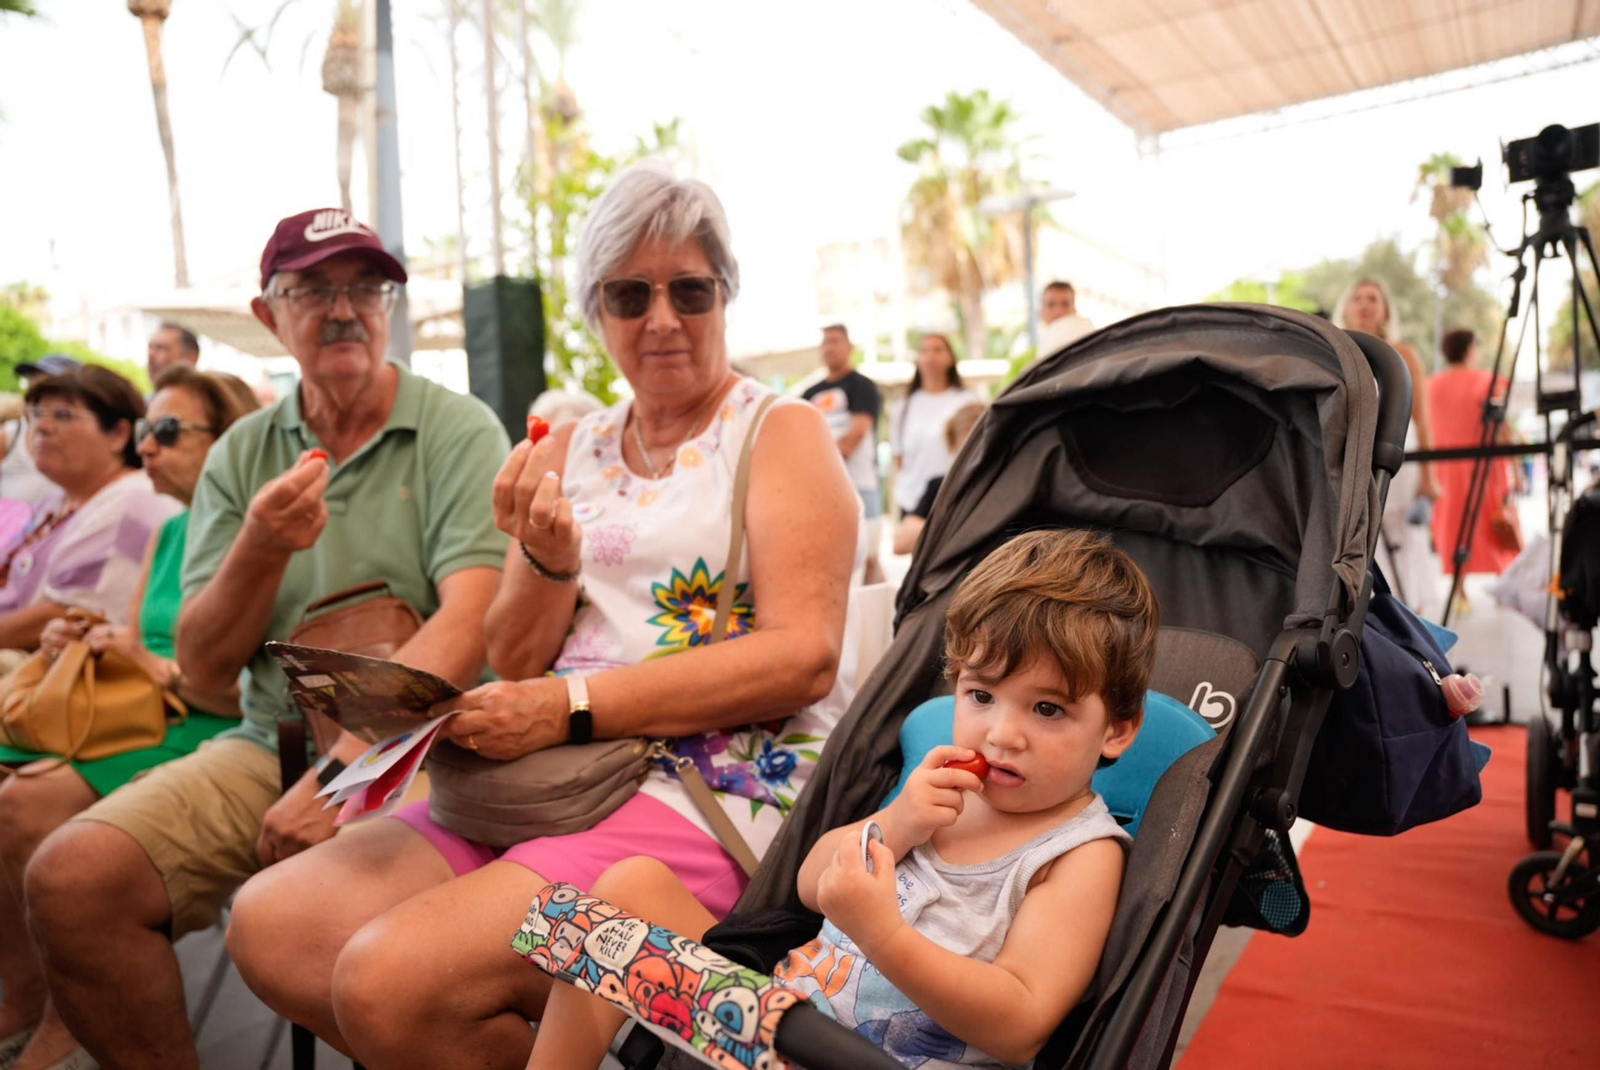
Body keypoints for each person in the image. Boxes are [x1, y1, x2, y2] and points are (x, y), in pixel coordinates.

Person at [224, 164, 860, 1070]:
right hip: (547, 772)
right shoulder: (572, 447)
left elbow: (804, 658)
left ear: (726, 297)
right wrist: (546, 556)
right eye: (630, 294)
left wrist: (570, 706)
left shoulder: (778, 431)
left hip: (708, 783)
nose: (663, 318)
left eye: (690, 289)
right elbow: (514, 651)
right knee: (275, 925)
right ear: (594, 309)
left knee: (386, 981)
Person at [19, 206, 510, 1070]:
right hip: (263, 744)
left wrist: (341, 774)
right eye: (310, 288)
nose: (343, 308)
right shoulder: (245, 451)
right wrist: (260, 544)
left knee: (358, 930)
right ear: (267, 315)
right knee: (70, 878)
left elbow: (469, 623)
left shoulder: (455, 428)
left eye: (365, 286)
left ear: (391, 304)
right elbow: (205, 671)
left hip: (424, 753)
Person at [519, 527, 1152, 1070]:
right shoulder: (945, 787)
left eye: (1048, 709)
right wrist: (898, 826)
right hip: (776, 1016)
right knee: (626, 889)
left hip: (873, 1059)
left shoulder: (1076, 858)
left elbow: (1020, 1022)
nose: (1002, 733)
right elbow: (810, 882)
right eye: (982, 696)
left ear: (1118, 729)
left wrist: (881, 931)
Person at [0, 366, 259, 1070]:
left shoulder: (258, 530)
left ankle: (67, 1020)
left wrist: (150, 666)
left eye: (168, 431)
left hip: (212, 719)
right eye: (146, 430)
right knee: (18, 795)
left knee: (29, 804)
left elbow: (255, 687)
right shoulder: (170, 529)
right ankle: (29, 1001)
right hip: (154, 709)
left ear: (232, 441)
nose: (147, 446)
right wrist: (79, 637)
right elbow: (143, 640)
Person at [0, 364, 181, 673]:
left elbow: (69, 613)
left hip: (43, 674)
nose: (41, 427)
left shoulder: (133, 501)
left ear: (119, 434)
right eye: (35, 414)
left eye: (63, 415)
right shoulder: (58, 499)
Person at [1334, 277, 1439, 613]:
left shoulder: (1402, 354)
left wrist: (1428, 478)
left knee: (1403, 548)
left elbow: (1422, 419)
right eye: (1357, 298)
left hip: (1398, 468)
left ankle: (1409, 626)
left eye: (1373, 299)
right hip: (1351, 466)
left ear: (1384, 311)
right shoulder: (1334, 352)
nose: (1364, 305)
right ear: (1345, 307)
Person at [1428, 328, 1523, 613]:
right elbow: (1502, 429)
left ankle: (1460, 593)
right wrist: (1517, 470)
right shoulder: (1488, 381)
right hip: (1485, 464)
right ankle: (1501, 585)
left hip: (1444, 467)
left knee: (1452, 525)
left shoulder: (1429, 385)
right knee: (1494, 520)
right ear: (1470, 349)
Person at [892, 334, 978, 521]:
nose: (931, 356)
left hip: (951, 499)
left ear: (951, 358)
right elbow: (898, 456)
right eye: (924, 350)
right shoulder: (905, 405)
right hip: (912, 501)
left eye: (938, 349)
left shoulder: (966, 401)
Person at [804, 323, 882, 520]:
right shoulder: (809, 393)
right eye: (825, 342)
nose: (829, 348)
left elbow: (856, 434)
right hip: (820, 490)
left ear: (850, 347)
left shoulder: (863, 386)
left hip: (859, 483)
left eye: (835, 341)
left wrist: (817, 460)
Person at [893, 400, 985, 555]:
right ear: (953, 447)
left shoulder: (1009, 486)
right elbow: (900, 543)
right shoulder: (940, 486)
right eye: (966, 451)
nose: (975, 459)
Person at [0, 355, 82, 512]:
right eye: (33, 379)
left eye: (47, 382)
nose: (35, 386)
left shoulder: (87, 447)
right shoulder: (10, 436)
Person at [1038, 280, 1094, 354]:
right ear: (1041, 312)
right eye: (1050, 305)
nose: (1058, 311)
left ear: (1074, 309)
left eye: (1065, 304)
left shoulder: (1091, 342)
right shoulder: (1029, 358)